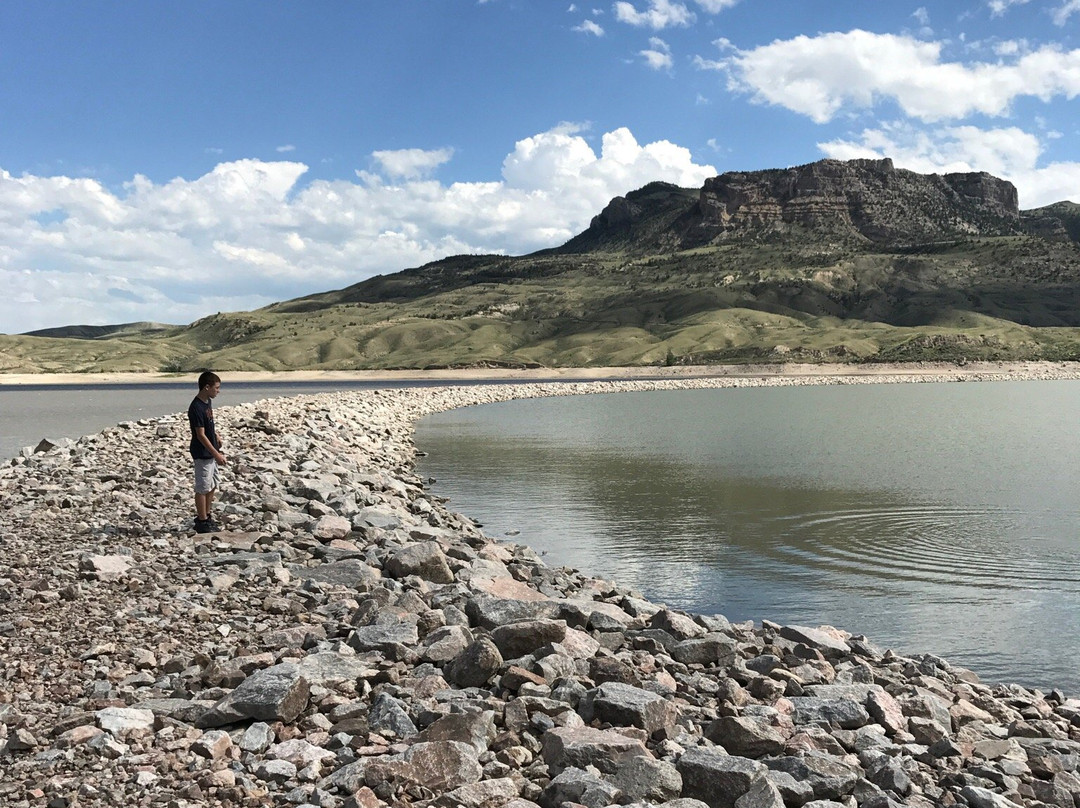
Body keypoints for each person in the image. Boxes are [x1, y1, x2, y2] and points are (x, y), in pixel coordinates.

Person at [188, 371, 227, 533]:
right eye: (216, 388)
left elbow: (209, 424)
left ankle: (208, 515)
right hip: (202, 452)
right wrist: (216, 454)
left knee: (212, 484)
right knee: (202, 487)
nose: (218, 391)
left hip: (211, 450)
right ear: (206, 387)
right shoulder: (196, 407)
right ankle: (201, 521)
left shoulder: (207, 402)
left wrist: (216, 435)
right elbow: (200, 434)